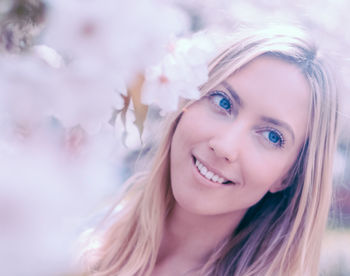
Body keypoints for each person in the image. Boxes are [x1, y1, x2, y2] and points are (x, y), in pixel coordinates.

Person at [81, 25, 339, 276]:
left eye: (272, 137)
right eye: (222, 101)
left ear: (289, 175)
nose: (225, 146)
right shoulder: (88, 232)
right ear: (189, 98)